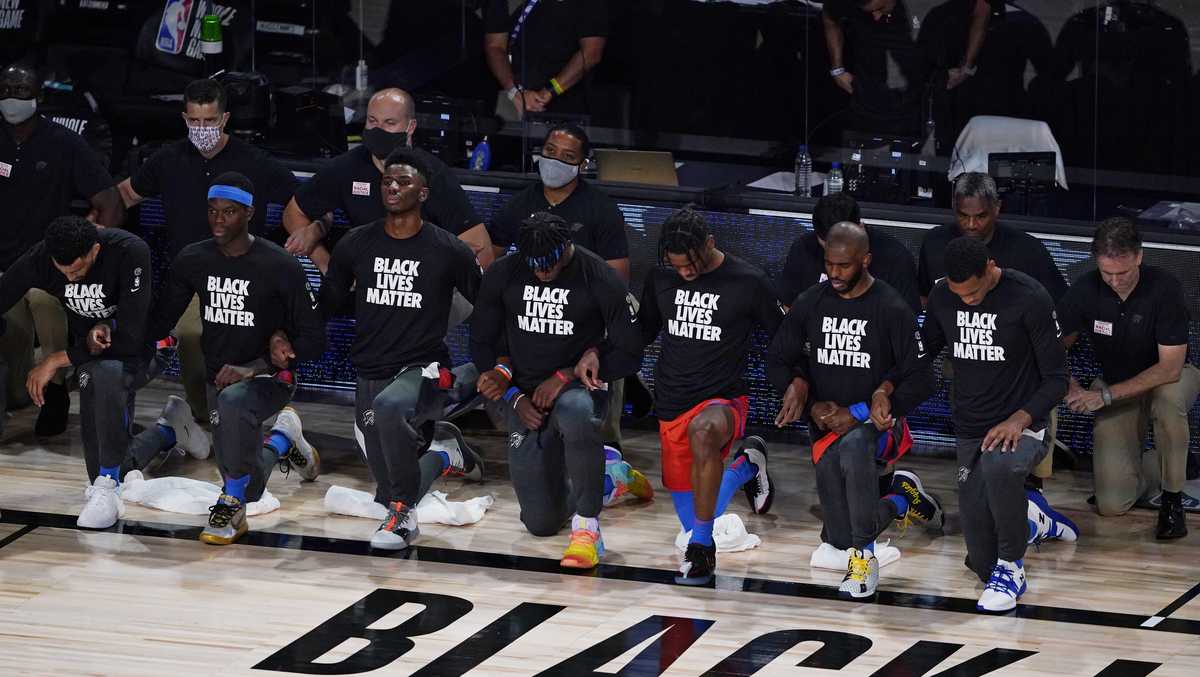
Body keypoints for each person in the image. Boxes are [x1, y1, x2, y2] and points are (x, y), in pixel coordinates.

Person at [127, 173, 326, 546]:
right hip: (218, 378)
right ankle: (284, 440)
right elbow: (159, 319)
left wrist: (259, 365)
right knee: (246, 475)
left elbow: (315, 341)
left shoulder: (279, 265)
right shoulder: (193, 259)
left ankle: (231, 508)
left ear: (249, 213)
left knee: (236, 460)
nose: (219, 220)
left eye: (229, 212)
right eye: (213, 211)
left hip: (269, 379)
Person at [320, 147, 486, 550]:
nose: (392, 187)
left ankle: (404, 521)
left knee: (393, 411)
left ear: (424, 193)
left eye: (403, 182)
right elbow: (328, 303)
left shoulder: (449, 250)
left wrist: (494, 364)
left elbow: (487, 308)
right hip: (369, 369)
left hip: (423, 369)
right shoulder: (356, 244)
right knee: (391, 485)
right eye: (387, 181)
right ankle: (444, 457)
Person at [768, 222, 940, 599]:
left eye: (844, 265)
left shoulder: (891, 307)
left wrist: (864, 409)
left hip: (878, 427)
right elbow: (778, 360)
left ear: (865, 260)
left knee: (855, 446)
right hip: (825, 425)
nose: (835, 273)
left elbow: (923, 378)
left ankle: (864, 561)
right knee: (840, 535)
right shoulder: (812, 301)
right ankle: (900, 497)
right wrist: (805, 396)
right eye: (829, 264)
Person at [471, 212, 649, 570]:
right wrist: (512, 396)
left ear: (567, 246)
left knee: (576, 411)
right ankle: (611, 478)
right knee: (540, 524)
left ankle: (587, 530)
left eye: (550, 265)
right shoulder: (504, 272)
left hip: (577, 388)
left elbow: (631, 352)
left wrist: (572, 369)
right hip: (524, 395)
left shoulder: (598, 275)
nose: (542, 273)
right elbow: (481, 342)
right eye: (534, 266)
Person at [117, 79, 299, 425]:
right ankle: (205, 414)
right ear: (184, 118)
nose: (202, 129)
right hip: (189, 277)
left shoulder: (254, 161)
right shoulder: (167, 159)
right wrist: (94, 225)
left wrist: (304, 233)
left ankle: (249, 409)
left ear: (225, 118)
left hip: (246, 275)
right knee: (189, 334)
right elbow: (123, 196)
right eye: (195, 121)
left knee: (243, 337)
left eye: (210, 121)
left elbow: (301, 201)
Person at [919, 236, 1069, 612]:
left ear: (990, 267)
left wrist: (1019, 420)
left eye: (973, 293)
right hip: (971, 427)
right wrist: (885, 387)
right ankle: (1032, 519)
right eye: (960, 295)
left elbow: (1057, 378)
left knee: (1000, 465)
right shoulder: (943, 296)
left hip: (1025, 422)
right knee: (980, 562)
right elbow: (921, 353)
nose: (967, 300)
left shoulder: (1029, 297)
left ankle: (1012, 567)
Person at [638, 206, 784, 586]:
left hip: (722, 401)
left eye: (692, 264)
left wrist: (796, 384)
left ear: (710, 244)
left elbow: (783, 339)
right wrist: (596, 356)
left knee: (703, 437)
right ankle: (746, 468)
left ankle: (702, 554)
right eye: (678, 266)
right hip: (671, 402)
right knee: (695, 518)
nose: (685, 273)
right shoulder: (660, 278)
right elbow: (641, 333)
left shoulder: (749, 281)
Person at [0, 216, 156, 528]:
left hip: (148, 348)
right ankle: (168, 431)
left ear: (95, 250)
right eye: (63, 273)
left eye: (77, 271)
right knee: (101, 460)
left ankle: (109, 483)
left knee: (107, 375)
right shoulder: (43, 257)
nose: (70, 280)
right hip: (91, 356)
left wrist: (56, 359)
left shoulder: (130, 251)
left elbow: (130, 336)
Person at [488, 123, 633, 450]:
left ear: (583, 164)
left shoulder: (600, 207)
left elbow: (618, 276)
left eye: (567, 156)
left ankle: (606, 435)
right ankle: (512, 408)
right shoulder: (520, 203)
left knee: (621, 320)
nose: (554, 161)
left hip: (587, 300)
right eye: (550, 152)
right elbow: (492, 257)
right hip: (533, 293)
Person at [918, 171, 1067, 486]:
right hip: (961, 353)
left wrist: (1047, 357)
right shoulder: (934, 244)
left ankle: (1032, 486)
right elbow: (928, 307)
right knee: (979, 488)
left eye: (981, 216)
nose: (971, 225)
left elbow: (1064, 315)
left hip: (1024, 359)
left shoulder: (1028, 252)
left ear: (997, 208)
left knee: (1039, 385)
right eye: (963, 215)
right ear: (953, 207)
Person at [1057, 218, 1200, 539]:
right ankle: (1171, 462)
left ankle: (1172, 501)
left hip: (1171, 377)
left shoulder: (1165, 289)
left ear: (1138, 256)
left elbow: (1170, 367)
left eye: (1122, 273)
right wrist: (1071, 385)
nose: (1114, 281)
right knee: (1111, 504)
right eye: (1107, 273)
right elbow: (1052, 347)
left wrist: (1104, 397)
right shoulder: (1085, 289)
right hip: (1115, 379)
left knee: (1168, 402)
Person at [0, 63, 123, 436]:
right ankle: (18, 392)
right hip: (3, 264)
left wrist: (85, 253)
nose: (11, 98)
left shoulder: (63, 143)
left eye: (21, 91)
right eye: (5, 89)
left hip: (47, 263)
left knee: (43, 301)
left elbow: (111, 202)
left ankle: (56, 393)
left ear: (38, 98)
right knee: (13, 365)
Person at [282, 88, 494, 276]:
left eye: (389, 123)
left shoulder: (433, 174)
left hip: (420, 282)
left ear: (410, 127)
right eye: (372, 121)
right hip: (368, 282)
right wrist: (326, 265)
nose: (378, 130)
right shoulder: (347, 167)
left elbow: (480, 247)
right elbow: (294, 212)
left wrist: (434, 280)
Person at [778, 192, 919, 312]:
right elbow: (789, 308)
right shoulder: (803, 248)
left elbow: (905, 325)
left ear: (860, 227)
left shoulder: (896, 259)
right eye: (828, 244)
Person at [483, 0, 607, 117]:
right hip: (514, 99)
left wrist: (548, 92)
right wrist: (515, 91)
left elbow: (591, 52)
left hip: (568, 99)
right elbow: (495, 46)